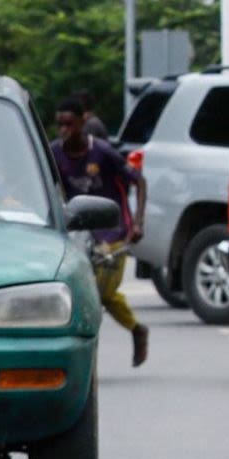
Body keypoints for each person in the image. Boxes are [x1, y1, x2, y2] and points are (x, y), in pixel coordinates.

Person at [50, 95, 149, 368]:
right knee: (77, 295)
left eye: (69, 124)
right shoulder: (54, 154)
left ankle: (136, 329)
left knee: (103, 293)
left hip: (112, 234)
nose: (64, 131)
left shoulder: (103, 153)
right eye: (60, 125)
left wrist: (138, 222)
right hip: (77, 235)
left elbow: (139, 181)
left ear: (84, 121)